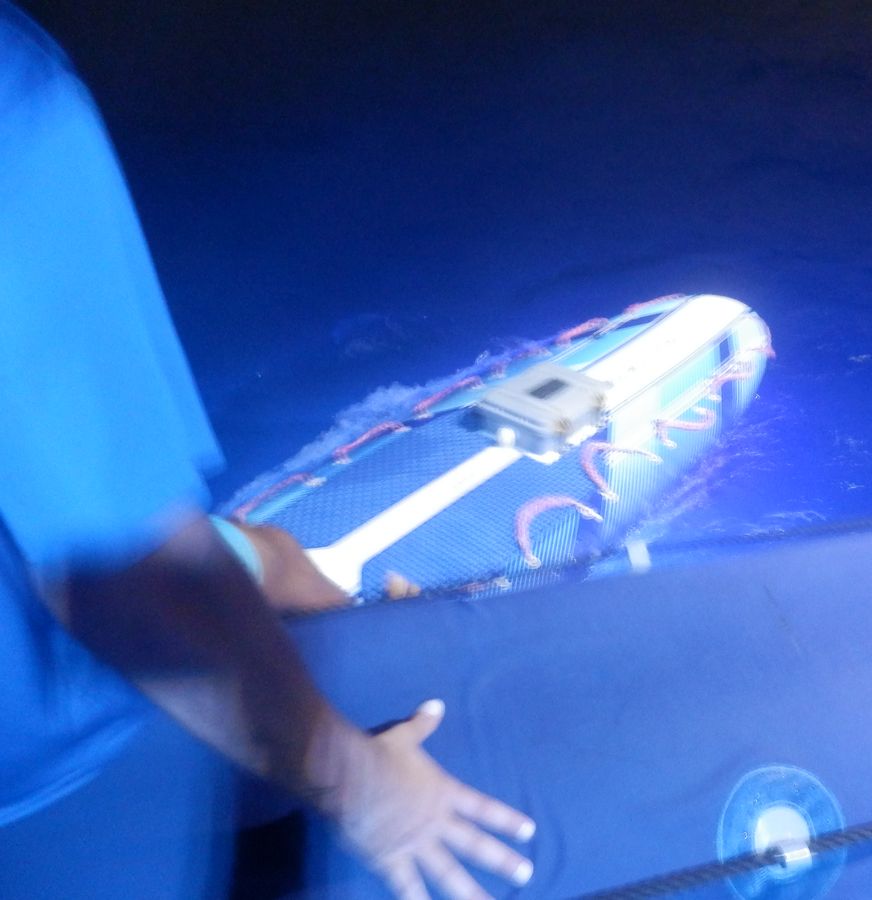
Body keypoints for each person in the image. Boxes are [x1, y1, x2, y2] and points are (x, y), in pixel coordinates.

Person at [0, 4, 534, 898]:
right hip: (65, 782)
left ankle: (350, 624)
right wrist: (365, 790)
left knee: (276, 558)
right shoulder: (13, 100)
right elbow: (120, 581)